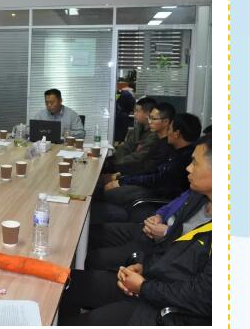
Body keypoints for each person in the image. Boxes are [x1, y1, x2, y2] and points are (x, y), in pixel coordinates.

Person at [59, 134, 211, 325]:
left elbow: (203, 297)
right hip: (151, 281)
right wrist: (143, 266)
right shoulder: (198, 199)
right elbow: (169, 247)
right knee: (64, 283)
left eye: (195, 163)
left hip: (165, 310)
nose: (188, 168)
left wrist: (143, 287)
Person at [99, 113, 201, 207]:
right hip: (150, 188)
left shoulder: (184, 158)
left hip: (158, 197)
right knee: (102, 189)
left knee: (105, 194)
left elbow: (156, 179)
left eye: (169, 129)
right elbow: (154, 171)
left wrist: (122, 181)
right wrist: (123, 178)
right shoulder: (175, 150)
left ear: (177, 133)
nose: (167, 132)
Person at [102, 102, 175, 178]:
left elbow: (149, 171)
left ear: (165, 122)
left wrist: (120, 178)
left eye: (153, 119)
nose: (150, 122)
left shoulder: (165, 145)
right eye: (149, 118)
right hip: (134, 175)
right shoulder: (146, 132)